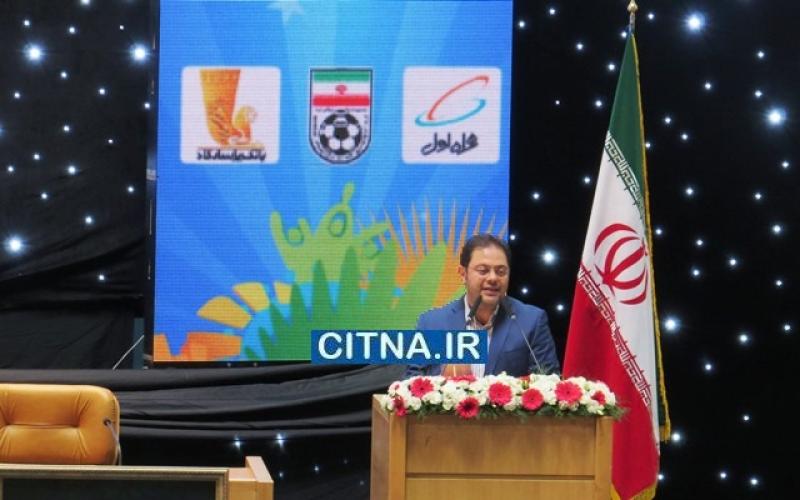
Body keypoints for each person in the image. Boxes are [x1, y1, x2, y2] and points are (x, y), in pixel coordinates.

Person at [405, 234, 560, 377]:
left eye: (501, 271)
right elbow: (412, 382)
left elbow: (548, 382)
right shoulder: (431, 323)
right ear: (463, 274)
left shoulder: (531, 321)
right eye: (483, 270)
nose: (493, 278)